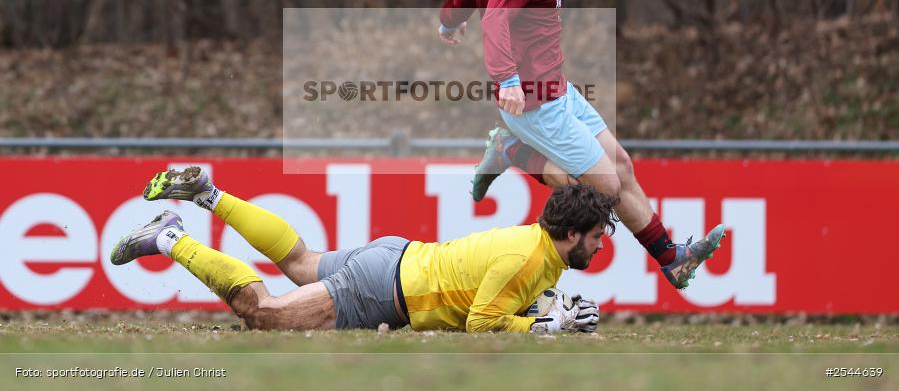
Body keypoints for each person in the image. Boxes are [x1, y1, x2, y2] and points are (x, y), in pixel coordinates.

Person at [437, 0, 724, 290]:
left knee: (621, 166)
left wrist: (449, 20)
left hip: (559, 91)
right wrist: (508, 79)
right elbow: (496, 16)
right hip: (535, 104)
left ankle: (673, 259)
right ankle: (512, 151)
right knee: (604, 187)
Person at [110, 167, 618, 334]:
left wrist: (552, 313)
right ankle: (169, 235)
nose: (599, 247)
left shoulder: (539, 249)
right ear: (571, 233)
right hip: (381, 289)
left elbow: (505, 300)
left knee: (299, 263)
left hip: (395, 259)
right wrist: (545, 326)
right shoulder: (528, 258)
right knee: (263, 313)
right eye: (597, 236)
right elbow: (483, 323)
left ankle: (208, 194)